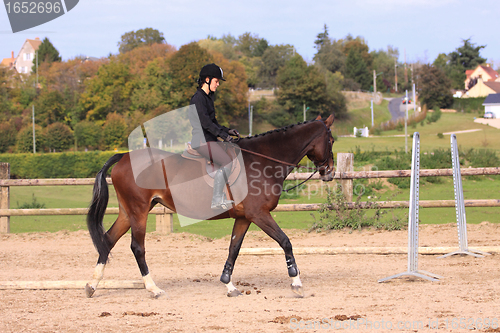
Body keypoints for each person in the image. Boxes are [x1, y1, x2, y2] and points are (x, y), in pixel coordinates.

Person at [189, 63, 240, 210]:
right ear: (207, 79)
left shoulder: (208, 98)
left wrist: (228, 131)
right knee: (227, 162)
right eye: (216, 81)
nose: (218, 84)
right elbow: (205, 123)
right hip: (202, 141)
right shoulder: (198, 98)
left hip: (210, 139)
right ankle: (217, 199)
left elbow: (214, 123)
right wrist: (223, 136)